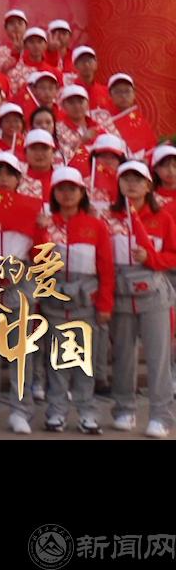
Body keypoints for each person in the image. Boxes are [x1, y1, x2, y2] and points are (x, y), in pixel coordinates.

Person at [40, 166, 110, 434]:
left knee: (84, 361)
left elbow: (105, 268)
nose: (67, 194)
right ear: (54, 193)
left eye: (73, 189)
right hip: (55, 302)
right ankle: (56, 411)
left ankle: (87, 412)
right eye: (61, 189)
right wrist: (41, 231)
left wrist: (104, 304)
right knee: (56, 359)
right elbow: (37, 260)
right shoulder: (46, 224)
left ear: (82, 193)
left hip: (86, 303)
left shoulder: (96, 226)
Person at [106, 160, 174, 437]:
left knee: (158, 358)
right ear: (119, 184)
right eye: (126, 179)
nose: (131, 184)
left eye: (138, 180)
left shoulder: (163, 218)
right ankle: (124, 409)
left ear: (148, 186)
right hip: (121, 295)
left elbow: (172, 255)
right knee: (123, 356)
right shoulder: (108, 218)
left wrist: (152, 258)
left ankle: (161, 416)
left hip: (153, 296)